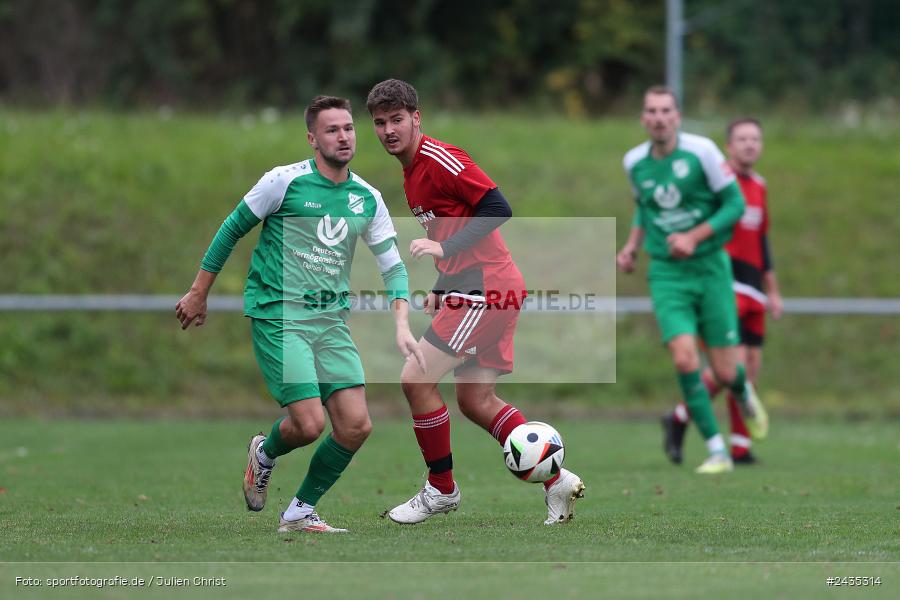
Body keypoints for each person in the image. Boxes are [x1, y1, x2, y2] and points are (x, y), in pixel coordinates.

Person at [175, 95, 422, 533]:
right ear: (312, 138)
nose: (344, 136)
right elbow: (232, 228)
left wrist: (402, 322)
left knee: (356, 426)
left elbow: (393, 266)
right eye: (332, 130)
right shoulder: (282, 183)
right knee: (309, 425)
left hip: (329, 323)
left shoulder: (367, 198)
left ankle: (300, 511)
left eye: (348, 128)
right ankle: (265, 453)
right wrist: (199, 292)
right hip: (280, 316)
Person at [366, 79, 584, 525]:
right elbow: (454, 235)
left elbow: (498, 207)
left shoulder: (439, 159)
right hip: (481, 286)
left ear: (416, 118)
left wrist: (445, 255)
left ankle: (441, 490)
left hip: (486, 289)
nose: (389, 129)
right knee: (475, 399)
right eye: (380, 122)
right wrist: (442, 288)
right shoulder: (410, 175)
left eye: (397, 119)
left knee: (415, 380)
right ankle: (556, 480)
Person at [616, 86, 769, 475]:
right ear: (643, 119)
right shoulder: (634, 162)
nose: (659, 117)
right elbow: (644, 208)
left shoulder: (702, 152)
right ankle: (717, 450)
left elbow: (735, 204)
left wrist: (694, 236)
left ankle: (741, 387)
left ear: (677, 116)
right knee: (684, 358)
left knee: (724, 371)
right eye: (651, 111)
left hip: (711, 269)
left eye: (666, 110)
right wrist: (632, 246)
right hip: (667, 274)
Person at [662, 117, 783, 465]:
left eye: (755, 139)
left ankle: (734, 441)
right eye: (742, 139)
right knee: (731, 367)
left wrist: (773, 290)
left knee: (751, 367)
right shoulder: (717, 184)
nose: (749, 145)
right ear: (728, 146)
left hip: (755, 287)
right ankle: (691, 419)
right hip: (723, 281)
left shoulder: (759, 185)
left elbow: (762, 239)